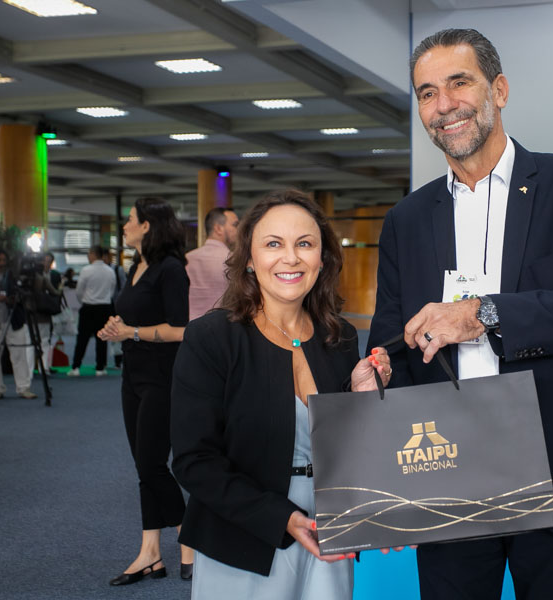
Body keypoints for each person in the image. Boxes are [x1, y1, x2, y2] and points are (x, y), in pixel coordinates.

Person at [367, 29, 553, 599]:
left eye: (459, 83)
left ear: (499, 89)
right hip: (447, 471)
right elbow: (390, 339)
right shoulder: (407, 220)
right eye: (427, 93)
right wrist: (375, 369)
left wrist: (483, 314)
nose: (444, 105)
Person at [169, 190, 391, 600]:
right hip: (244, 535)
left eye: (304, 244)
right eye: (273, 244)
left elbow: (350, 448)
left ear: (322, 258)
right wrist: (283, 518)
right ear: (249, 259)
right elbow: (193, 461)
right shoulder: (212, 338)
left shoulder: (339, 337)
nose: (290, 258)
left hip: (330, 532)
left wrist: (363, 397)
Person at [96, 197, 194, 585]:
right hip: (132, 376)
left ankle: (189, 541)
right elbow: (130, 318)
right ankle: (150, 553)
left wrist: (132, 332)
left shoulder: (171, 270)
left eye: (130, 219)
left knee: (152, 464)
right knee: (144, 466)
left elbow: (181, 329)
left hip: (163, 377)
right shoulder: (135, 266)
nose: (124, 226)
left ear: (147, 226)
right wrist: (115, 328)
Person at [0, 248, 37, 400]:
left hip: (14, 320)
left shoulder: (12, 275)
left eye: (4, 260)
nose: (2, 263)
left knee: (19, 355)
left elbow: (22, 294)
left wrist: (12, 299)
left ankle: (23, 387)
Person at [67, 246, 115, 377]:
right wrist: (104, 299)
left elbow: (79, 291)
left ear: (94, 254)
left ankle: (76, 367)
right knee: (102, 339)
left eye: (89, 253)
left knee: (82, 338)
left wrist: (84, 300)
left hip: (88, 307)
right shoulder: (110, 271)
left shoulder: (86, 270)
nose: (88, 256)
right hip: (104, 308)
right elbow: (112, 290)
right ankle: (100, 368)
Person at [185, 207, 239, 320]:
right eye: (235, 225)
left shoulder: (187, 258)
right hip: (221, 325)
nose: (238, 230)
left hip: (188, 325)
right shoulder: (233, 260)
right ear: (218, 228)